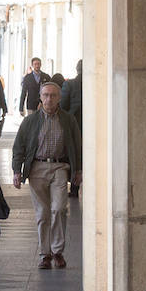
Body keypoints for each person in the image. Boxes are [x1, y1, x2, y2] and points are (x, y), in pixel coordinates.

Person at [11, 82, 82, 269]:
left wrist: (78, 170)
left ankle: (57, 251)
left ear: (59, 98)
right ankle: (45, 254)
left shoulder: (68, 120)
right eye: (46, 95)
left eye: (53, 95)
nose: (49, 99)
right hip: (37, 168)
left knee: (59, 208)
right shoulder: (30, 121)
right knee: (42, 213)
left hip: (59, 167)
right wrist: (17, 171)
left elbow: (77, 145)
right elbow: (19, 147)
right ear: (40, 97)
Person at [60, 60, 84, 197]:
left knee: (74, 156)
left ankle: (74, 187)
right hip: (92, 126)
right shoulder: (96, 83)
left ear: (77, 69)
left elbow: (63, 106)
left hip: (74, 126)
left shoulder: (69, 84)